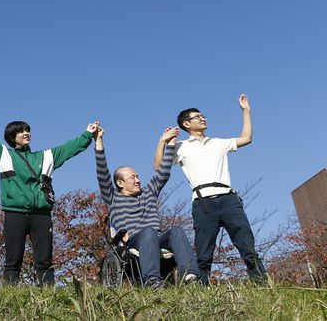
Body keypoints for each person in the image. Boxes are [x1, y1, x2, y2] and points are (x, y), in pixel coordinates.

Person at [0, 101, 95, 286]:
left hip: (41, 214)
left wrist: (87, 133)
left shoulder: (46, 156)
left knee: (44, 262)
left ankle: (49, 298)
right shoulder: (4, 155)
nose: (26, 133)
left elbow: (70, 148)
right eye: (20, 131)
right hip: (14, 213)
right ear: (11, 137)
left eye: (27, 130)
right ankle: (10, 298)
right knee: (12, 261)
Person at [156, 94, 266, 285]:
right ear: (186, 124)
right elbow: (158, 166)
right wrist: (162, 142)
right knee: (204, 252)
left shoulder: (218, 143)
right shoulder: (181, 147)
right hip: (202, 201)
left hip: (229, 199)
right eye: (197, 117)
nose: (203, 118)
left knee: (247, 246)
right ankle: (202, 291)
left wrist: (246, 111)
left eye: (203, 115)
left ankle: (262, 284)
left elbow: (247, 138)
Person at [95, 125, 199, 287]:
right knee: (148, 232)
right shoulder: (113, 197)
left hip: (157, 239)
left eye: (137, 177)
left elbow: (164, 172)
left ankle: (190, 276)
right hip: (134, 241)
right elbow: (102, 171)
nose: (138, 180)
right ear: (120, 183)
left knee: (176, 231)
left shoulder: (148, 192)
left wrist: (170, 143)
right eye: (132, 178)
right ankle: (152, 280)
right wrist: (99, 141)